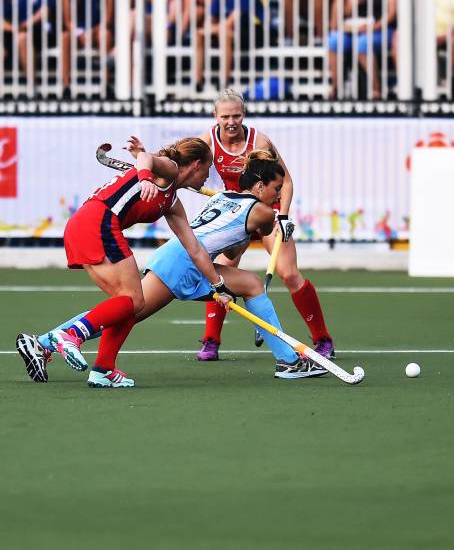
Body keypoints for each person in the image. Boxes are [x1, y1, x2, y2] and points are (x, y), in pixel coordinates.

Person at [18, 150, 326, 382]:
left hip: (183, 256)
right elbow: (262, 231)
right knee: (129, 311)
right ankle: (48, 341)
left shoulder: (222, 198)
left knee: (251, 284)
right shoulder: (263, 212)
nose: (276, 198)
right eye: (275, 190)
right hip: (183, 262)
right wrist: (283, 225)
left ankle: (288, 361)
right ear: (259, 187)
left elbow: (229, 245)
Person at [15, 136, 233, 388]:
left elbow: (194, 249)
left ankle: (102, 369)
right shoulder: (169, 170)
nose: (208, 177)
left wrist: (218, 286)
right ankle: (70, 335)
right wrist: (144, 176)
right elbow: (146, 158)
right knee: (135, 300)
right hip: (99, 221)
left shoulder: (172, 202)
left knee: (129, 304)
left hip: (86, 225)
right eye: (207, 169)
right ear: (196, 164)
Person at [194, 89, 336, 362]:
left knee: (289, 273)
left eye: (236, 115)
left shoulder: (259, 141)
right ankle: (211, 341)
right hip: (234, 215)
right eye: (225, 116)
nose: (231, 121)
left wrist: (282, 216)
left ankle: (323, 340)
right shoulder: (207, 142)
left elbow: (287, 181)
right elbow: (184, 167)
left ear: (243, 114)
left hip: (265, 214)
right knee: (220, 273)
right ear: (215, 117)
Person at [328, 0, 397, 99]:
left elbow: (391, 14)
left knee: (363, 43)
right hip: (357, 29)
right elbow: (346, 12)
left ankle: (376, 89)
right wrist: (354, 2)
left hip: (381, 30)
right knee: (333, 40)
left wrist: (373, 27)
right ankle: (336, 88)